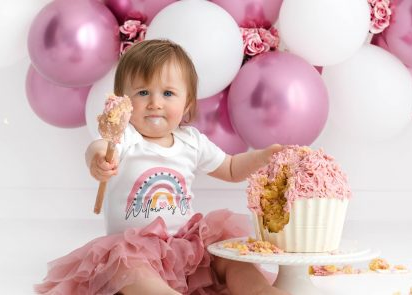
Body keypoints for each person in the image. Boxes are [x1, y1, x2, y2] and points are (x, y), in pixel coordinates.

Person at [35, 39, 286, 295]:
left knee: (228, 255)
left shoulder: (192, 142)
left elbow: (231, 168)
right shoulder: (126, 138)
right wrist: (98, 159)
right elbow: (99, 147)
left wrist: (260, 158)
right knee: (127, 269)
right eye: (143, 92)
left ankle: (256, 290)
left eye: (168, 93)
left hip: (187, 246)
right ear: (124, 102)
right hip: (135, 250)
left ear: (187, 103)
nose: (155, 102)